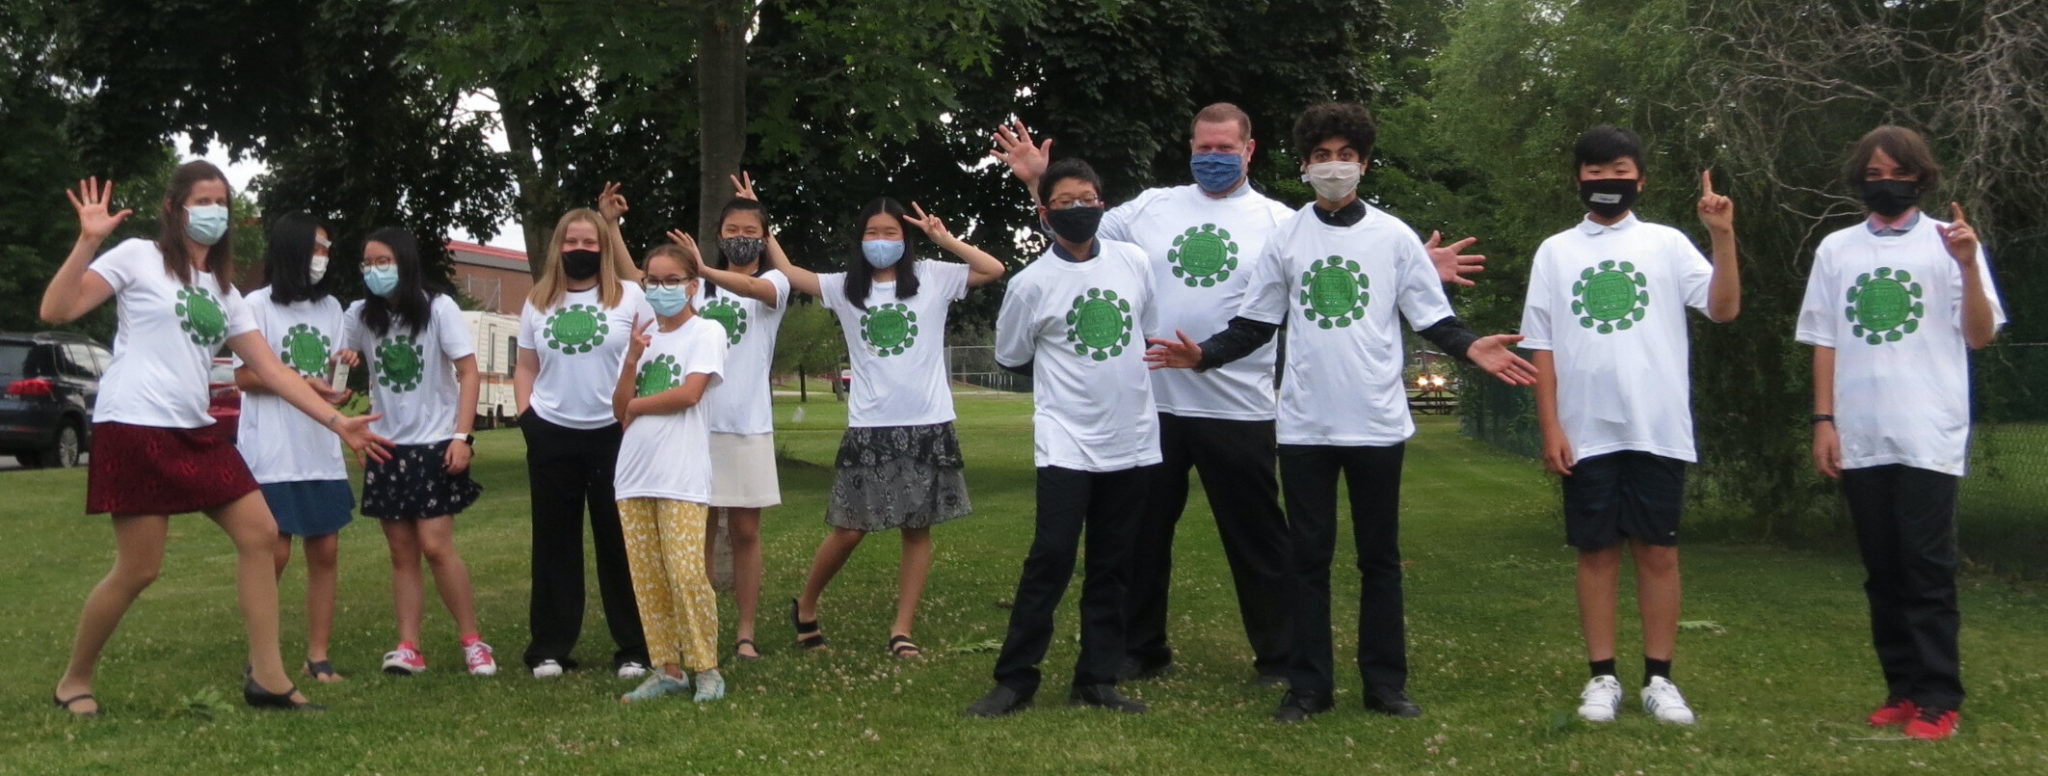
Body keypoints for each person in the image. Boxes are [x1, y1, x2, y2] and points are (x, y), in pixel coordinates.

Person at [992, 105, 1487, 685]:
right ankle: (1140, 649)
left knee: (1259, 542)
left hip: (1240, 404)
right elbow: (1078, 234)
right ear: (1190, 147)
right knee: (1143, 540)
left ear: (1249, 151)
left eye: (1226, 148)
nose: (1213, 158)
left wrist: (1414, 265)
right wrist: (1035, 182)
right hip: (1155, 403)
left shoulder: (1279, 220)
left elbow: (1338, 253)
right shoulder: (1153, 207)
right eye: (1204, 147)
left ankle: (1279, 656)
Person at [1146, 102, 1536, 723]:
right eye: (1322, 157)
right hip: (1304, 426)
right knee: (1308, 560)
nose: (1334, 168)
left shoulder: (1393, 236)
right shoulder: (1286, 235)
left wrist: (1470, 346)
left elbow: (1431, 315)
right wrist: (1204, 357)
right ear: (1303, 165)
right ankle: (1309, 688)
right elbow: (1255, 322)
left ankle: (1385, 686)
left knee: (1380, 560)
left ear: (1363, 163)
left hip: (1377, 424)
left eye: (1345, 157)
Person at [40, 165, 391, 716]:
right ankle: (73, 681)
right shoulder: (137, 256)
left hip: (194, 427)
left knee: (260, 532)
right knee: (139, 569)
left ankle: (269, 681)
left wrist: (335, 420)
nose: (214, 211)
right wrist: (88, 241)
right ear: (174, 208)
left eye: (222, 201)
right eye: (202, 200)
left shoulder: (225, 292)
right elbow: (57, 310)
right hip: (133, 424)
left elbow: (272, 372)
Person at [1519, 126, 1741, 726]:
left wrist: (1722, 238)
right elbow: (1541, 347)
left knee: (1659, 552)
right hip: (1585, 428)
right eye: (1592, 171)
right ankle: (1602, 679)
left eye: (1617, 169)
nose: (1605, 181)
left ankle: (1660, 681)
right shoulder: (1556, 252)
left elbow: (1723, 308)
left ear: (1640, 179)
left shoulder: (1668, 245)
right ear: (1579, 180)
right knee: (1596, 553)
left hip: (1657, 425)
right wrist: (1551, 428)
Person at [1795, 125, 2003, 741]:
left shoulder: (1952, 243)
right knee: (1882, 571)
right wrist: (1823, 421)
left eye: (1898, 173)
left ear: (1922, 176)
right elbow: (1824, 340)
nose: (1886, 184)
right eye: (1874, 174)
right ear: (1860, 181)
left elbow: (1980, 334)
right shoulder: (1836, 249)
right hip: (1860, 435)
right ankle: (1903, 689)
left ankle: (1941, 696)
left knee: (1927, 570)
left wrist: (1967, 265)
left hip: (1927, 433)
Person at [760, 197, 1005, 659]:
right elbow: (792, 273)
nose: (881, 241)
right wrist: (763, 224)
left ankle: (901, 630)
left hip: (928, 423)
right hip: (871, 426)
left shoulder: (934, 276)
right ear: (860, 239)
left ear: (905, 239)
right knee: (850, 529)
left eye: (890, 233)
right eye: (872, 233)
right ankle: (806, 606)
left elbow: (992, 268)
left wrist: (944, 238)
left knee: (917, 529)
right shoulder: (846, 288)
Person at [967, 158, 1158, 718]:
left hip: (1133, 436)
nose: (1080, 210)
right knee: (1050, 557)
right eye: (1066, 202)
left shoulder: (1135, 262)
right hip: (1067, 440)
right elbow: (1012, 357)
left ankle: (1097, 678)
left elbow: (1144, 332)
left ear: (1102, 201)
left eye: (1088, 198)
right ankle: (1015, 679)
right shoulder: (1029, 286)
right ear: (1046, 214)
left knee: (1113, 562)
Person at [341, 227, 497, 677]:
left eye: (383, 261)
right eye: (367, 264)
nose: (374, 271)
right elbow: (342, 369)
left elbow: (469, 373)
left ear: (405, 262)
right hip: (387, 445)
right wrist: (346, 374)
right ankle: (408, 647)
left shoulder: (438, 308)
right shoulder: (358, 315)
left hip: (433, 443)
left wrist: (461, 437)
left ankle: (473, 642)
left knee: (435, 546)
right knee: (401, 552)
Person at [516, 189, 655, 681]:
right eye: (572, 240)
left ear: (602, 247)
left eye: (590, 241)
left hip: (615, 433)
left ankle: (637, 647)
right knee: (554, 544)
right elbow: (526, 366)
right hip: (551, 432)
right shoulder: (537, 301)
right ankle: (550, 648)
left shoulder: (631, 297)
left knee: (621, 543)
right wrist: (526, 416)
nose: (581, 248)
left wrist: (637, 411)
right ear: (559, 246)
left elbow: (653, 356)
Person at [233, 212, 360, 684]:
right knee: (275, 551)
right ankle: (260, 656)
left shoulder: (331, 309)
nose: (323, 259)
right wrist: (292, 381)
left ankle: (318, 656)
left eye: (328, 249)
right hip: (271, 450)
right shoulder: (256, 305)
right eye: (316, 249)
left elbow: (330, 382)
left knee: (325, 550)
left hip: (318, 448)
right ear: (291, 251)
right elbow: (244, 377)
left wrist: (339, 376)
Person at [611, 243, 730, 703]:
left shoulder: (706, 331)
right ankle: (668, 668)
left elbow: (689, 394)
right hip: (634, 474)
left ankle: (707, 669)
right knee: (649, 578)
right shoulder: (644, 338)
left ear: (692, 286)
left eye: (671, 280)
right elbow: (617, 409)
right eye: (653, 281)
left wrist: (636, 406)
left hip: (680, 475)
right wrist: (629, 361)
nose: (661, 289)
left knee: (685, 574)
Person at [688, 174, 791, 660]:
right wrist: (612, 229)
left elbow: (752, 287)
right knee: (702, 529)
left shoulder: (774, 283)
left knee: (746, 533)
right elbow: (644, 284)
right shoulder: (697, 289)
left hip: (749, 425)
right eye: (730, 230)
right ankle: (702, 626)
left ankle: (745, 632)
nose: (740, 237)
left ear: (765, 237)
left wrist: (704, 269)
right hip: (698, 426)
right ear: (718, 235)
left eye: (749, 229)